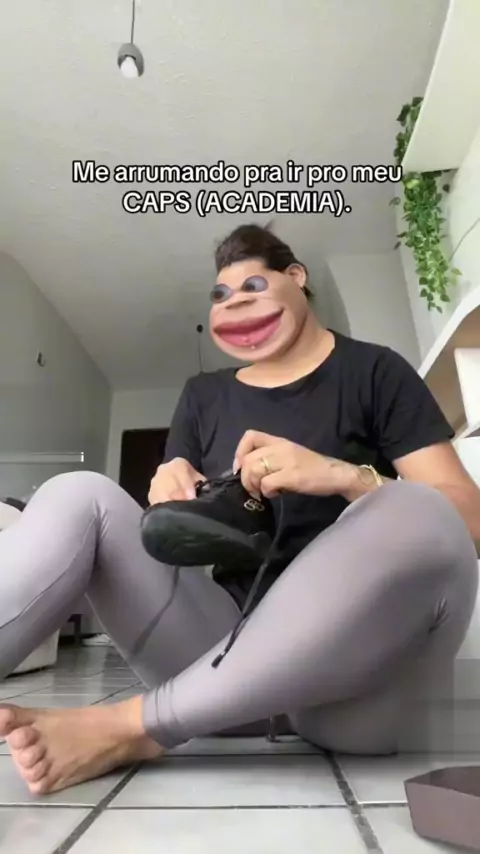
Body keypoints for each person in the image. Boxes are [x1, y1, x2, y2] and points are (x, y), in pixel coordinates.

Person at [0, 223, 479, 796]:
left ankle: (135, 727)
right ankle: (187, 705)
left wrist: (343, 476)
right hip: (217, 666)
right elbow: (172, 511)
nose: (234, 305)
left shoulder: (375, 371)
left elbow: (465, 522)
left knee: (418, 506)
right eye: (220, 296)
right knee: (79, 492)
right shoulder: (203, 395)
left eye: (253, 285)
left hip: (348, 695)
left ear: (296, 277)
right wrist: (168, 491)